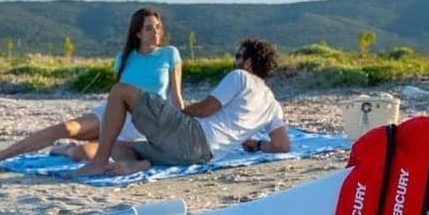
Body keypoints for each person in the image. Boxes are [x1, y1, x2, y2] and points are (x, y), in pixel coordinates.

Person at [0, 8, 183, 173]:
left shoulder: (169, 54)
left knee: (83, 152)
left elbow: (176, 100)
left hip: (141, 123)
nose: (155, 32)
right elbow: (116, 96)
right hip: (111, 114)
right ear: (137, 32)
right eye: (149, 28)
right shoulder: (123, 58)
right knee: (64, 127)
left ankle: (67, 149)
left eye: (157, 27)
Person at [75, 37, 290, 177]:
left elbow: (206, 109)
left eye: (238, 56)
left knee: (121, 91)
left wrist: (178, 113)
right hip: (201, 156)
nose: (235, 61)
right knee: (118, 145)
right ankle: (139, 165)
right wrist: (259, 144)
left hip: (192, 135)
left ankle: (99, 161)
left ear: (248, 63)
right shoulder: (273, 104)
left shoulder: (240, 77)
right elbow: (282, 145)